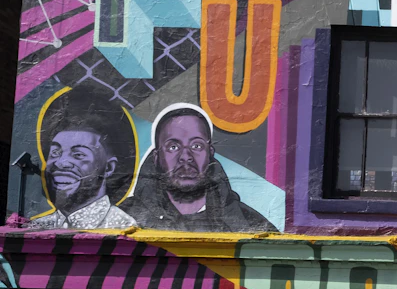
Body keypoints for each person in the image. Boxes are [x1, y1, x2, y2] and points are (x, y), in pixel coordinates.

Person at [122, 104, 276, 232]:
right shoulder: (124, 219)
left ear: (210, 153)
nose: (186, 157)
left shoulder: (249, 224)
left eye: (196, 145)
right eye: (173, 147)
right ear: (156, 158)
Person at [29, 87, 137, 230]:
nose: (61, 162)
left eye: (78, 155)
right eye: (55, 152)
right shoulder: (38, 227)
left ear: (109, 168)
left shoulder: (122, 227)